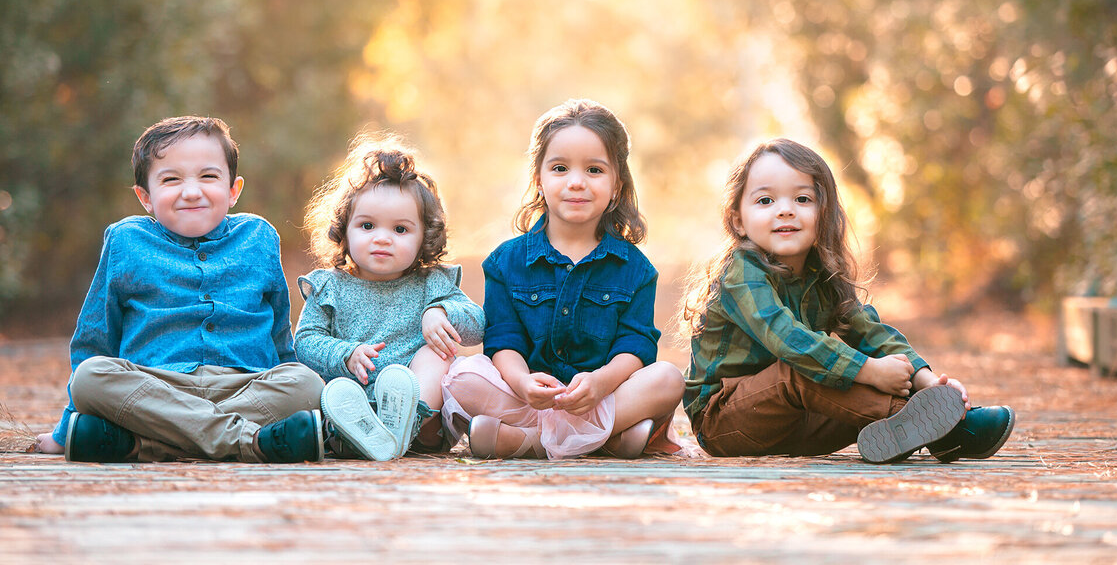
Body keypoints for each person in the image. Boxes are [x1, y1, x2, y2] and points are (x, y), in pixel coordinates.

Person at [681, 138, 1015, 463]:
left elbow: (869, 331)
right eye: (766, 201)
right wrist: (869, 370)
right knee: (806, 368)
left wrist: (926, 381)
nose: (785, 211)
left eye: (802, 199)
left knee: (842, 369)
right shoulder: (742, 273)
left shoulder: (821, 273)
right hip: (725, 422)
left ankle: (931, 428)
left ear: (823, 213)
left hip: (795, 422)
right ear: (738, 219)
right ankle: (943, 429)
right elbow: (790, 341)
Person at [35, 116, 326, 464]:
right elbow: (95, 336)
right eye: (171, 180)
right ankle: (253, 441)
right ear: (145, 197)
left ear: (233, 190)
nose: (191, 191)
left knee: (308, 386)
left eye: (208, 176)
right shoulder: (127, 240)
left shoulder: (259, 237)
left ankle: (146, 444)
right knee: (90, 378)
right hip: (155, 387)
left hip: (243, 386)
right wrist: (67, 426)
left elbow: (279, 334)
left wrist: (293, 381)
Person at [442, 99, 685, 460]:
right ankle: (605, 438)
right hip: (530, 400)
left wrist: (601, 382)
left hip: (602, 397)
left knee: (668, 378)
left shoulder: (636, 269)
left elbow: (636, 346)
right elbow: (503, 340)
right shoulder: (505, 262)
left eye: (594, 170)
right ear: (539, 179)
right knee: (461, 377)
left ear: (617, 185)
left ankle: (531, 442)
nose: (576, 182)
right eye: (560, 168)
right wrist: (524, 384)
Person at [294, 135, 484, 460]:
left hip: (424, 422)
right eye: (367, 226)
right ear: (344, 230)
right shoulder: (330, 286)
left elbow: (477, 326)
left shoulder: (432, 283)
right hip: (353, 407)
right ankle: (368, 432)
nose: (382, 238)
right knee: (313, 383)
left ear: (425, 236)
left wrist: (440, 312)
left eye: (400, 230)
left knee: (438, 355)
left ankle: (402, 426)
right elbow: (305, 341)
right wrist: (346, 353)